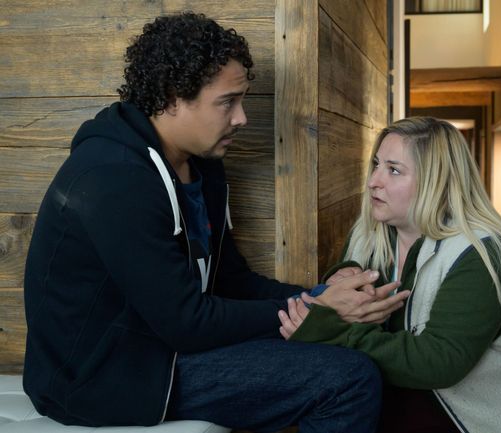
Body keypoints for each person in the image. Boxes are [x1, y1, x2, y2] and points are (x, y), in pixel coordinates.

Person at [22, 12, 408, 432]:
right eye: (227, 102)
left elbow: (230, 282)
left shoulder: (201, 166)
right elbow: (187, 324)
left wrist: (319, 294)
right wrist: (316, 309)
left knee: (345, 356)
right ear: (172, 97)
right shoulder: (112, 177)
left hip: (159, 349)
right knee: (348, 379)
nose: (241, 118)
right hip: (101, 377)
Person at [278, 117, 501, 433]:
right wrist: (341, 276)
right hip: (405, 400)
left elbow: (440, 362)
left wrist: (331, 332)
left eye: (393, 170)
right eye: (376, 165)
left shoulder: (483, 253)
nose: (373, 181)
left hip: (489, 420)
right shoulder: (367, 235)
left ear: (436, 181)